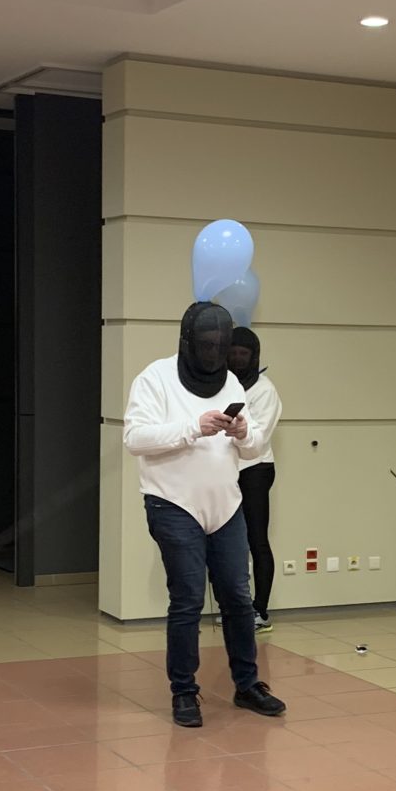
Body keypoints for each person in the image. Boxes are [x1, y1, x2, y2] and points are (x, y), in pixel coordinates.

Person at [124, 302, 286, 729]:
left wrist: (243, 432)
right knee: (188, 599)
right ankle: (183, 691)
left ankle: (247, 685)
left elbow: (253, 450)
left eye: (220, 344)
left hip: (226, 506)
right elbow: (135, 438)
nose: (213, 352)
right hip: (173, 504)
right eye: (206, 344)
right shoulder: (155, 378)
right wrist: (193, 426)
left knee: (237, 597)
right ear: (188, 342)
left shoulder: (230, 381)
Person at [227, 326, 282, 633]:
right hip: (225, 470)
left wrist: (233, 433)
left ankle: (260, 611)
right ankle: (236, 608)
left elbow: (258, 438)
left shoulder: (264, 390)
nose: (237, 359)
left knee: (256, 540)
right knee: (229, 543)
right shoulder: (221, 385)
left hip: (255, 470)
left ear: (254, 356)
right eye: (232, 353)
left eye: (243, 354)